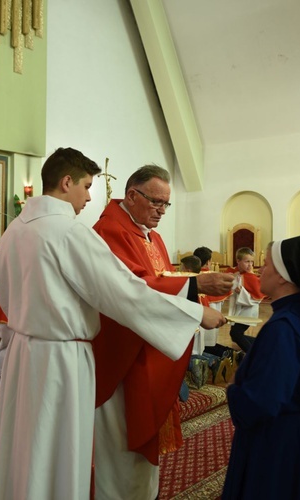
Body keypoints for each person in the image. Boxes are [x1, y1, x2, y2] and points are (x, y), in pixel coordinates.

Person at [0, 148, 226, 500]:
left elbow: (3, 298)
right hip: (61, 359)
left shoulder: (14, 230)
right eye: (86, 186)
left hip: (22, 354)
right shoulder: (69, 233)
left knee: (23, 447)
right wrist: (196, 313)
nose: (90, 196)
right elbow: (123, 292)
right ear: (67, 182)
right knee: (56, 451)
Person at [90, 165, 234, 500]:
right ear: (132, 195)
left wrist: (192, 298)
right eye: (156, 202)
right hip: (121, 353)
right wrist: (196, 287)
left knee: (138, 446)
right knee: (119, 442)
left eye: (166, 204)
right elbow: (134, 289)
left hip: (146, 348)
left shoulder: (150, 236)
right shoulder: (111, 230)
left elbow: (163, 279)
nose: (161, 211)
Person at [222, 236, 300, 499]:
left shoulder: (283, 328)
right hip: (298, 436)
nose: (260, 270)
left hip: (279, 445)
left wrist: (233, 390)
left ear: (284, 276)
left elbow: (262, 401)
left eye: (265, 264)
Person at [226, 247, 265, 353]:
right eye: (247, 261)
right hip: (240, 310)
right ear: (238, 261)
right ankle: (262, 344)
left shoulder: (251, 277)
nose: (250, 265)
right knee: (235, 335)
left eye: (252, 262)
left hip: (248, 311)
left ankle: (252, 354)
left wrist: (242, 292)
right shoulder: (237, 273)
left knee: (236, 334)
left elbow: (257, 298)